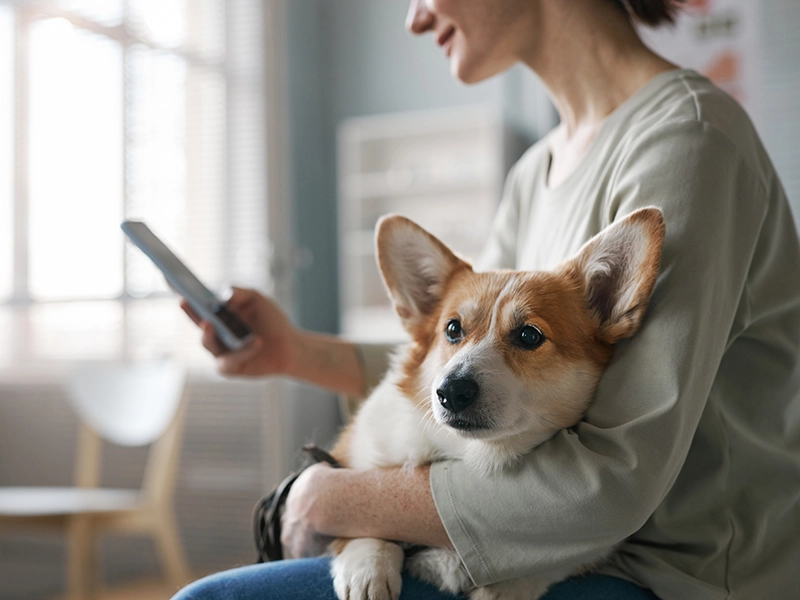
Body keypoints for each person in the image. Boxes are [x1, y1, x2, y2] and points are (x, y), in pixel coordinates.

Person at [172, 0, 800, 598]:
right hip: (532, 548)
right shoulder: (537, 169)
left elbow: (614, 484)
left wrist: (332, 498)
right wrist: (291, 350)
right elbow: (453, 362)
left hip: (667, 576)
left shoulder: (689, 140)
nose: (414, 18)